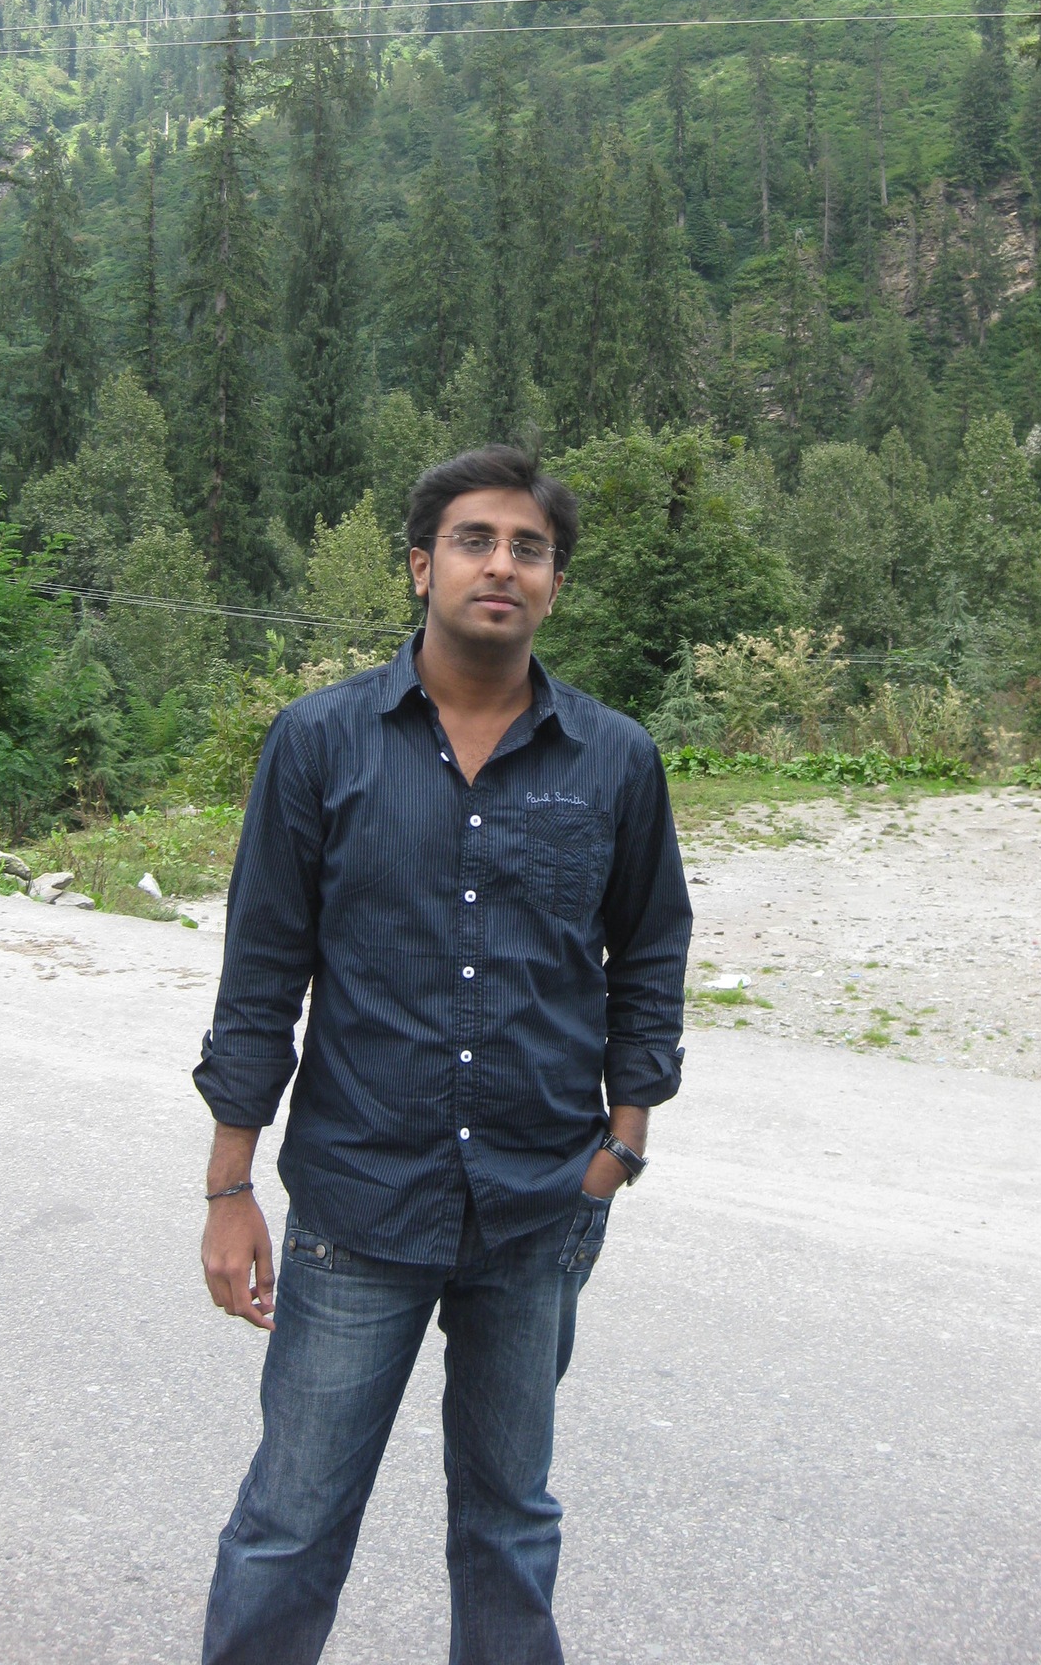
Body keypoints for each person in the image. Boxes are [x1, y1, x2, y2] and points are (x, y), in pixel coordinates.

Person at [193, 444, 691, 1665]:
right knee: (291, 1521)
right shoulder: (321, 742)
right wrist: (228, 1183)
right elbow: (262, 971)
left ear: (555, 583)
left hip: (540, 1205)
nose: (501, 564)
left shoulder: (614, 757)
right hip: (358, 1201)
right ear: (422, 567)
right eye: (475, 540)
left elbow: (650, 951)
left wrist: (623, 1141)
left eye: (529, 547)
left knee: (510, 1522)